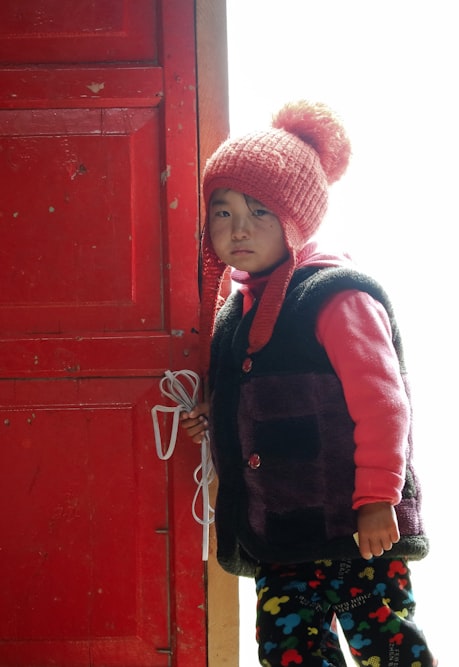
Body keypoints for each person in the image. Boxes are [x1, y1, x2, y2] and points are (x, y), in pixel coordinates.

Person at [182, 100, 435, 667]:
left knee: (389, 650)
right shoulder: (234, 311)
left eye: (260, 211)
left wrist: (377, 500)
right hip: (280, 533)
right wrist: (215, 412)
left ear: (297, 217)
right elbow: (251, 399)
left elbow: (384, 404)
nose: (238, 229)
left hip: (356, 529)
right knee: (289, 654)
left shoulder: (336, 295)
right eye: (222, 212)